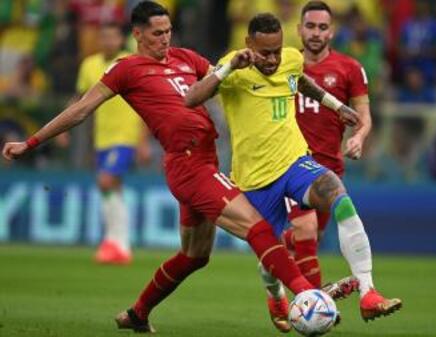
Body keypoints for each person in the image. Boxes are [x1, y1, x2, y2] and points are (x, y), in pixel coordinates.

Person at [2, 1, 348, 333]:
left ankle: (137, 314)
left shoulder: (186, 58)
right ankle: (308, 294)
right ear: (137, 34)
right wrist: (30, 143)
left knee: (195, 255)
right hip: (187, 165)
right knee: (258, 229)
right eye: (157, 33)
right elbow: (79, 110)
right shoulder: (126, 70)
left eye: (168, 31)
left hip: (207, 159)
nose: (165, 38)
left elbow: (222, 81)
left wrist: (267, 68)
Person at [185, 11, 402, 329]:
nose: (273, 59)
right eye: (265, 52)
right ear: (248, 44)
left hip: (295, 161)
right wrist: (230, 66)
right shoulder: (233, 66)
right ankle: (275, 296)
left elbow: (300, 80)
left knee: (338, 197)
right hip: (254, 178)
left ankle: (368, 293)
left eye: (277, 51)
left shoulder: (290, 58)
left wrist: (336, 105)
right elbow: (191, 98)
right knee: (271, 258)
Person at [252, 1, 378, 331]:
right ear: (300, 29)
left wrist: (359, 137)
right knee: (306, 232)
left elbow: (364, 116)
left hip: (328, 169)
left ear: (332, 31)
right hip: (291, 164)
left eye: (323, 27)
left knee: (294, 242)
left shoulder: (350, 68)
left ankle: (276, 286)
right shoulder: (282, 65)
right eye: (311, 26)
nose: (316, 33)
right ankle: (321, 310)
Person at [75, 23, 149, 264]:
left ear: (120, 40)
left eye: (112, 37)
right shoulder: (89, 65)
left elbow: (146, 102)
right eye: (103, 36)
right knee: (111, 187)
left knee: (105, 180)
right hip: (102, 138)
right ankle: (117, 244)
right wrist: (62, 130)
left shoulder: (130, 63)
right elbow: (81, 99)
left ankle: (117, 241)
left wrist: (142, 142)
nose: (108, 41)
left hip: (125, 136)